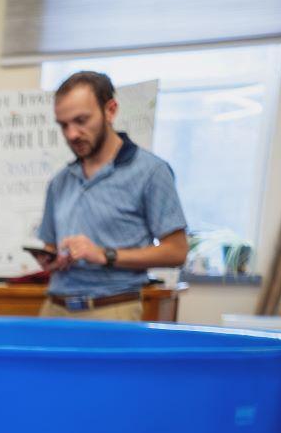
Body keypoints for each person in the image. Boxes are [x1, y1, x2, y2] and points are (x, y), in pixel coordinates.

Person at [37, 71, 189, 320]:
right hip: (55, 309)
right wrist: (53, 259)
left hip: (111, 309)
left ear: (110, 110)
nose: (71, 134)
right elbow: (50, 245)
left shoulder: (151, 172)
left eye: (81, 120)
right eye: (63, 125)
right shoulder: (60, 181)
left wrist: (105, 254)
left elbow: (177, 252)